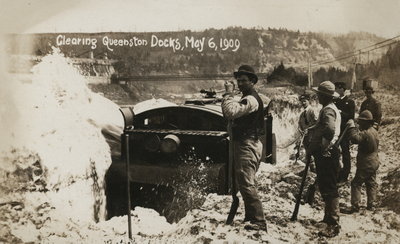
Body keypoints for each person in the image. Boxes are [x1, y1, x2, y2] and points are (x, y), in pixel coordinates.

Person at [221, 64, 267, 231]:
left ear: (252, 82)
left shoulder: (251, 99)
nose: (240, 84)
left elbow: (231, 112)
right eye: (238, 80)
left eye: (243, 81)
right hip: (245, 143)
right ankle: (250, 217)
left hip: (248, 144)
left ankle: (259, 221)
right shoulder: (248, 97)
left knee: (247, 183)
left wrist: (228, 94)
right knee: (244, 181)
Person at [305, 81, 341, 237]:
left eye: (320, 94)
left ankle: (333, 223)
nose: (318, 97)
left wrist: (324, 146)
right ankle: (328, 218)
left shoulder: (327, 111)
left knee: (329, 187)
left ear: (325, 96)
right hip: (328, 153)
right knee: (326, 185)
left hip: (327, 154)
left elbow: (330, 129)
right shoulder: (330, 109)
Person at [345, 110, 380, 213]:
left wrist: (351, 127)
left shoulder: (366, 133)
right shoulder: (374, 131)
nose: (359, 123)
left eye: (361, 121)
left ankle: (355, 206)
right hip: (374, 161)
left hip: (366, 163)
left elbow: (355, 139)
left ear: (366, 122)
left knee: (356, 183)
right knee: (371, 183)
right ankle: (371, 205)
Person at [334, 82, 355, 184]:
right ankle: (337, 172)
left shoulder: (349, 102)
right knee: (335, 152)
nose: (335, 90)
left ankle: (345, 175)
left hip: (344, 131)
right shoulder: (335, 101)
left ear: (342, 89)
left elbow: (351, 117)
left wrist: (341, 112)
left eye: (337, 88)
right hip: (336, 131)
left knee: (345, 153)